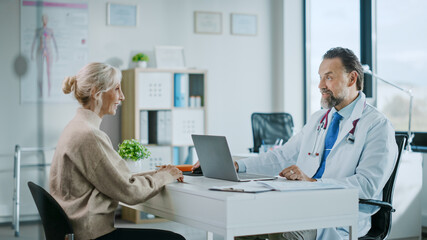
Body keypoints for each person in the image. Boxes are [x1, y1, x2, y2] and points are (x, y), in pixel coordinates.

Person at [194, 47, 398, 240]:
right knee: (245, 221)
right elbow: (281, 156)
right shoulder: (319, 119)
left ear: (352, 78)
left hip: (338, 217)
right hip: (300, 204)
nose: (320, 86)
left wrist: (313, 184)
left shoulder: (377, 126)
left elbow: (367, 186)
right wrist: (237, 165)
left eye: (329, 77)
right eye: (320, 78)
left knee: (285, 230)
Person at [49, 62, 185, 240]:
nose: (122, 97)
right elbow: (130, 191)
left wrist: (159, 172)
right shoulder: (90, 136)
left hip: (75, 230)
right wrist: (165, 177)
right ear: (96, 92)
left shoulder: (75, 127)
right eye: (117, 89)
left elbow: (118, 178)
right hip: (91, 234)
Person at [31, 14, 58, 97]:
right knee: (40, 72)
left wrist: (57, 53)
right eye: (43, 19)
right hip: (40, 50)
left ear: (47, 20)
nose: (44, 21)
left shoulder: (50, 30)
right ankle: (41, 93)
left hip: (49, 51)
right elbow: (34, 42)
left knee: (48, 72)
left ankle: (49, 92)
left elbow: (54, 42)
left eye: (46, 19)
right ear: (42, 20)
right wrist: (31, 53)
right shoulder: (38, 31)